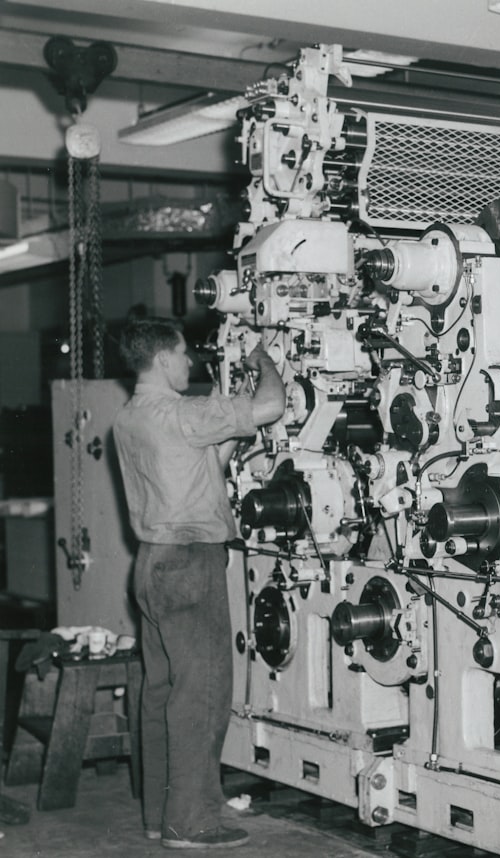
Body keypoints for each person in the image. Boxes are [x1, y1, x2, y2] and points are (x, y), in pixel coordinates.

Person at [113, 318, 284, 849]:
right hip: (191, 564)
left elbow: (202, 462)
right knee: (201, 694)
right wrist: (264, 362)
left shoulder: (129, 417)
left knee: (162, 691)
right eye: (183, 353)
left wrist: (229, 417)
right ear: (164, 359)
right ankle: (190, 823)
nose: (189, 361)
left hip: (151, 563)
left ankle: (159, 814)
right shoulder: (183, 414)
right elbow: (272, 405)